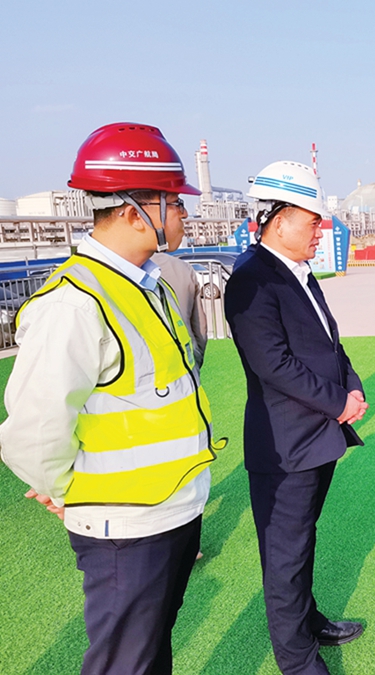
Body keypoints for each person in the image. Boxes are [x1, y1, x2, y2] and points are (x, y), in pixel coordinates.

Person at [0, 122, 219, 674]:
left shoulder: (149, 283)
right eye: (174, 202)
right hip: (125, 530)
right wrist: (65, 491)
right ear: (132, 211)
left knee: (150, 654)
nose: (184, 214)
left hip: (172, 510)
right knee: (126, 663)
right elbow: (33, 430)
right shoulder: (74, 303)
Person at [224, 160, 367, 675]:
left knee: (301, 543)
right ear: (279, 220)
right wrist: (338, 401)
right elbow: (274, 364)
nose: (320, 231)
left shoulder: (297, 270)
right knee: (284, 560)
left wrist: (351, 383)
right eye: (312, 222)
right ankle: (299, 663)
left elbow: (329, 341)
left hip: (315, 438)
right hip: (285, 445)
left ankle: (309, 622)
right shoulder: (251, 279)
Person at [152, 251, 208, 368]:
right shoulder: (183, 267)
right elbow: (199, 325)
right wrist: (197, 355)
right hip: (187, 355)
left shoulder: (119, 270)